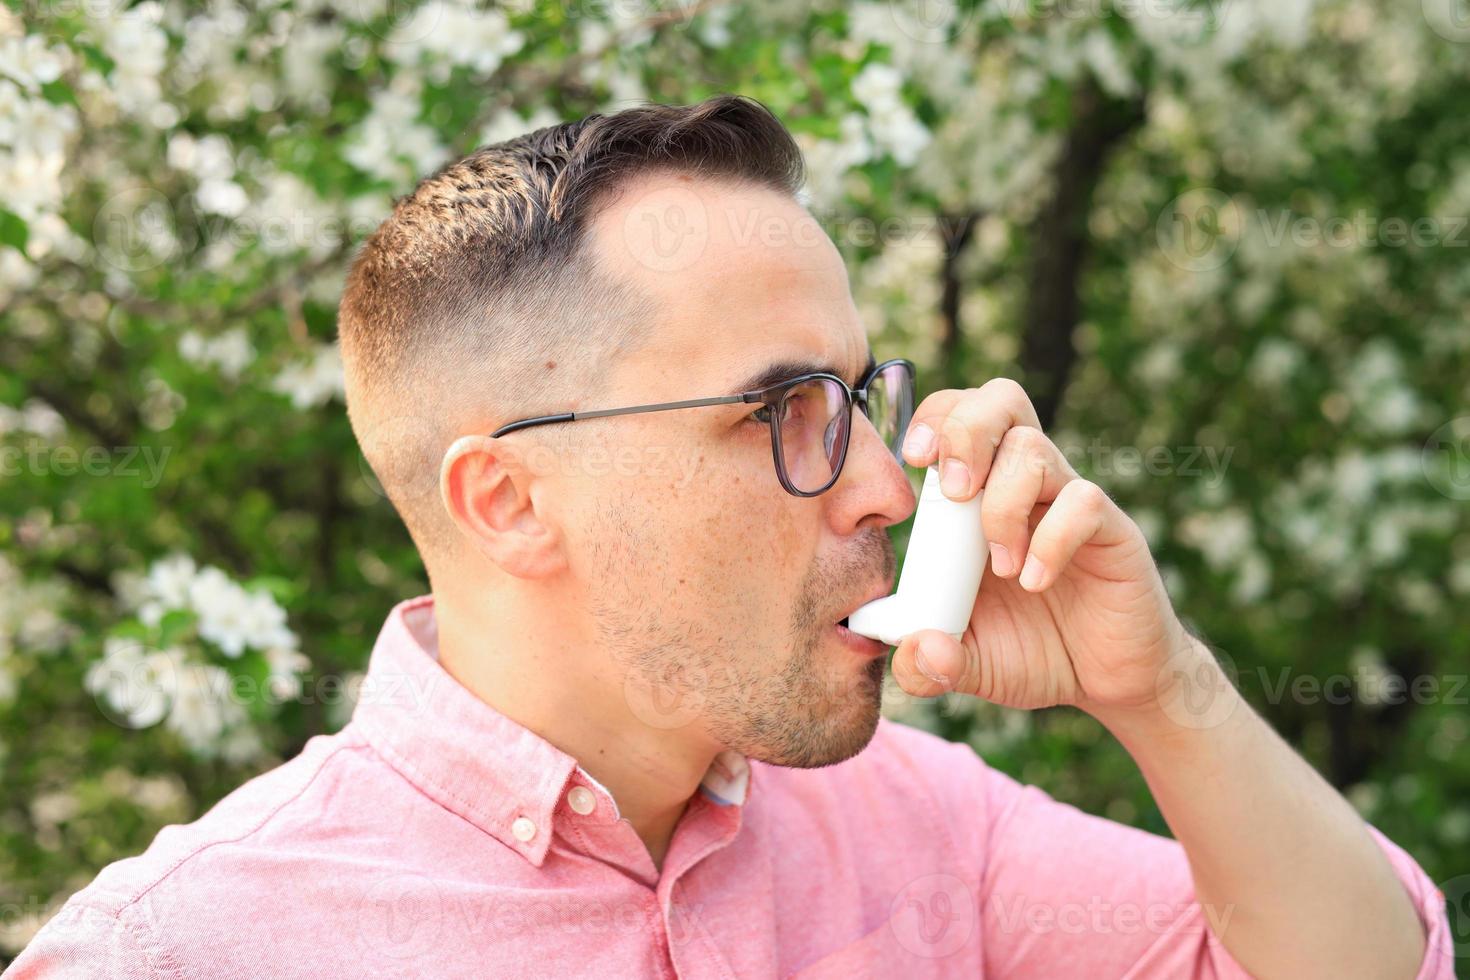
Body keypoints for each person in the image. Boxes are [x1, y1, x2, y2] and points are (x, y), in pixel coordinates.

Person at [6, 94, 1451, 979]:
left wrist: (1160, 686)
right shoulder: (182, 955)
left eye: (857, 397)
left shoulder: (915, 825)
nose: (888, 484)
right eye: (782, 409)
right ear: (508, 500)